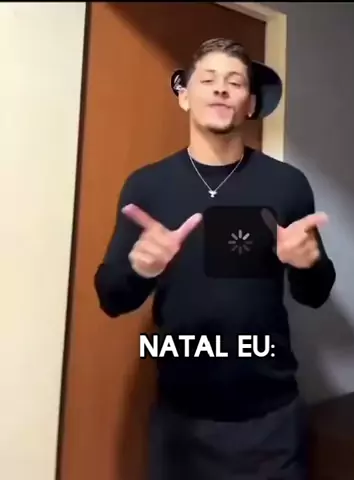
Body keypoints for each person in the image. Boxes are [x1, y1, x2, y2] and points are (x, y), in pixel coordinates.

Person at [94, 38, 336, 480]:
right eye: (207, 80)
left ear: (250, 105)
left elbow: (316, 294)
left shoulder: (287, 185)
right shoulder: (147, 187)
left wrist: (308, 264)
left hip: (271, 423)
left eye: (235, 82)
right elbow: (111, 298)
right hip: (180, 424)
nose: (221, 88)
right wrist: (139, 269)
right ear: (185, 96)